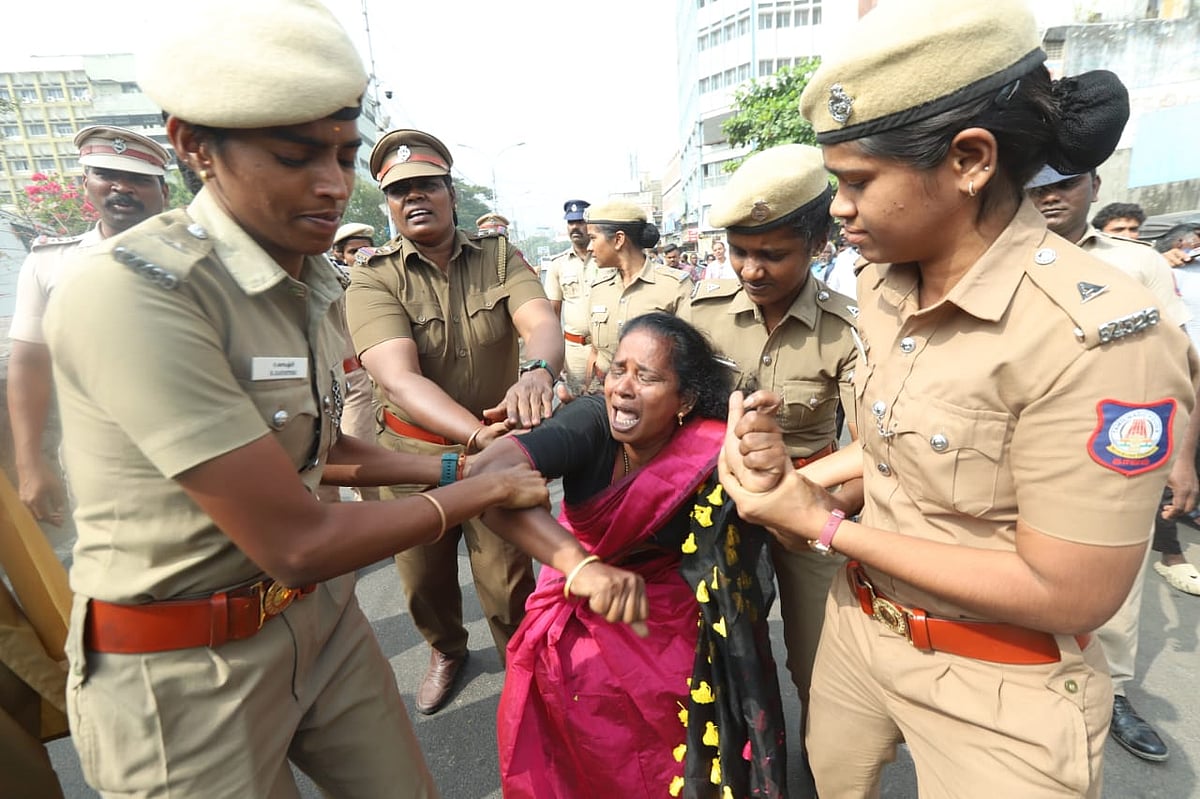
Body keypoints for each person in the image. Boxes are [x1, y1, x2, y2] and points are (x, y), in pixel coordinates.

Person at [41, 2, 555, 795]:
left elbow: (327, 449)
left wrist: (450, 463)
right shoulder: (138, 294)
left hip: (321, 625)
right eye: (295, 155)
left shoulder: (305, 278)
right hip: (183, 668)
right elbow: (298, 539)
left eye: (345, 154)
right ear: (192, 146)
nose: (333, 183)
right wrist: (480, 485)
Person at [719, 1, 1197, 795]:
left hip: (999, 680)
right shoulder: (880, 282)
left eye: (857, 181)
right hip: (858, 627)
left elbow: (1072, 588)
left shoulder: (1100, 335)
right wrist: (802, 478)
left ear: (970, 159)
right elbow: (897, 448)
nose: (836, 207)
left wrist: (827, 527)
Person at [472, 312, 787, 798]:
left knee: (677, 708)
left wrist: (762, 462)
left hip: (667, 602)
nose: (623, 387)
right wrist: (582, 567)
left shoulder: (709, 443)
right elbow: (486, 478)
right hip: (577, 586)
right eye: (618, 369)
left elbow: (767, 524)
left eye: (648, 377)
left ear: (684, 400)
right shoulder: (591, 418)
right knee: (578, 702)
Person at [345, 128, 564, 715]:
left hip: (498, 456)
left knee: (507, 575)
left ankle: (524, 663)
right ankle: (446, 650)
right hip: (415, 459)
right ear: (388, 205)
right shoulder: (373, 276)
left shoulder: (499, 256)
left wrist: (539, 371)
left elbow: (540, 321)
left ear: (450, 192)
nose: (414, 198)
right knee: (422, 577)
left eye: (426, 186)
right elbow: (399, 377)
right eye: (399, 192)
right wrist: (474, 434)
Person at [682, 142, 861, 783]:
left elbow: (874, 451)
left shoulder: (846, 331)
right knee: (718, 650)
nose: (752, 270)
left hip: (813, 502)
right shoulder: (698, 315)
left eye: (772, 254)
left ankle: (827, 774)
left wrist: (805, 493)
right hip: (716, 504)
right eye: (739, 251)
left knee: (820, 661)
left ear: (817, 243)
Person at [1028, 161, 1195, 762]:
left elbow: (1178, 367)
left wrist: (1181, 458)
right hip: (1027, 443)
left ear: (1094, 187)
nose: (1048, 197)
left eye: (1063, 184)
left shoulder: (1136, 262)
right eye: (1037, 186)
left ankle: (1113, 688)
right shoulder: (996, 257)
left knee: (1113, 581)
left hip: (1116, 444)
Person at [7, 125, 170, 531]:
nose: (121, 187)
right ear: (86, 185)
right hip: (99, 459)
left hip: (202, 449)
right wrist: (29, 464)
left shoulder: (205, 262)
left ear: (163, 193)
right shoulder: (50, 263)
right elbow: (29, 364)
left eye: (137, 179)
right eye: (106, 175)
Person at [585, 200, 690, 391]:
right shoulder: (599, 288)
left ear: (618, 239)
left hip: (649, 402)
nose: (589, 248)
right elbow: (595, 352)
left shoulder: (675, 286)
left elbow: (688, 358)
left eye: (593, 238)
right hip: (601, 393)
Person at [542, 199, 597, 392]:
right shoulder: (558, 265)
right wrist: (558, 358)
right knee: (579, 407)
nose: (575, 227)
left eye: (580, 222)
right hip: (575, 352)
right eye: (570, 223)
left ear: (590, 225)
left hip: (607, 348)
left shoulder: (606, 258)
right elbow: (553, 314)